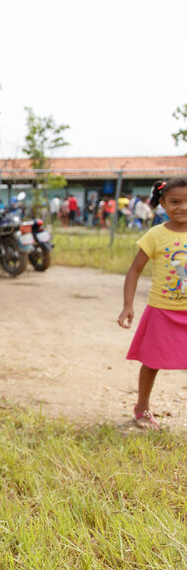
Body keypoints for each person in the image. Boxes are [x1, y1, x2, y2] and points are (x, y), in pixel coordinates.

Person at [117, 178, 187, 430]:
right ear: (163, 204)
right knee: (152, 361)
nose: (183, 207)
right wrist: (128, 305)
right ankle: (142, 408)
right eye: (175, 202)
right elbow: (134, 271)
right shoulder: (155, 235)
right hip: (162, 311)